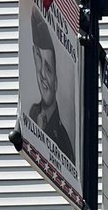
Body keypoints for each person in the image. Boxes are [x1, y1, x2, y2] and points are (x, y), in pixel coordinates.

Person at [28, 10, 75, 162]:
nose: (42, 74)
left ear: (56, 82)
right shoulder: (32, 113)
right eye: (39, 60)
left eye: (48, 68)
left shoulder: (63, 141)